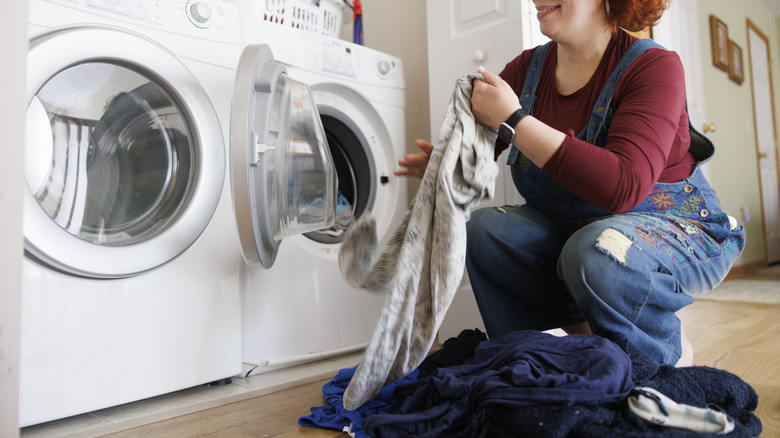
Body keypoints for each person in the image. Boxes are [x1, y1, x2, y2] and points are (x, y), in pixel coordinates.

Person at [394, 0, 745, 367]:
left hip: (680, 228)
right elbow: (481, 150)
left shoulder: (656, 66)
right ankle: (571, 351)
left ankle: (660, 354)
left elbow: (623, 186)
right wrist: (449, 164)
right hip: (580, 234)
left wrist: (515, 119)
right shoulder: (526, 71)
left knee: (597, 252)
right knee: (486, 231)